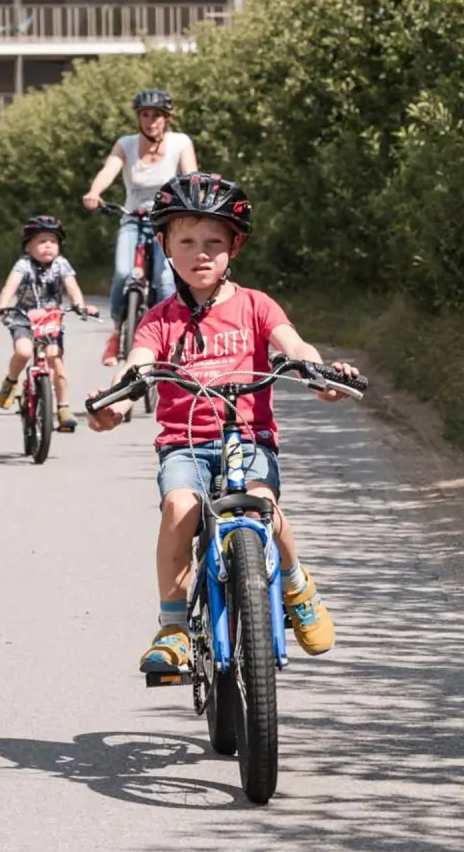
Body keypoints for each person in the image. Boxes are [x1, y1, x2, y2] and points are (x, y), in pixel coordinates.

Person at [86, 172, 360, 676]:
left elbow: (294, 346)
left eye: (214, 241)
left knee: (264, 506)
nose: (201, 253)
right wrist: (117, 405)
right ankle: (172, 628)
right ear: (165, 245)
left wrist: (320, 373)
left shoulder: (256, 305)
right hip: (185, 444)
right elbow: (138, 363)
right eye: (186, 241)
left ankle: (298, 588)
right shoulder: (160, 318)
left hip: (248, 438)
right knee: (178, 507)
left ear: (235, 245)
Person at [81, 88, 197, 366]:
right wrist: (94, 192)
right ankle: (117, 333)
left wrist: (194, 201)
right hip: (132, 218)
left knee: (166, 280)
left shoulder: (180, 143)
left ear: (167, 118)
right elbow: (108, 170)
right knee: (123, 274)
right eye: (145, 114)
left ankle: (170, 338)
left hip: (167, 221)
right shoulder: (127, 144)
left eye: (157, 115)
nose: (150, 120)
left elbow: (191, 177)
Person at [0, 216, 98, 433]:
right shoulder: (23, 264)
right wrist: (1, 304)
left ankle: (63, 408)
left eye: (53, 241)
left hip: (50, 320)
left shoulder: (62, 265)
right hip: (23, 318)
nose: (48, 246)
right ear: (28, 246)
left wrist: (81, 305)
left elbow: (72, 287)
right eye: (41, 241)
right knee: (24, 351)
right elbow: (10, 286)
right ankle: (10, 382)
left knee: (55, 359)